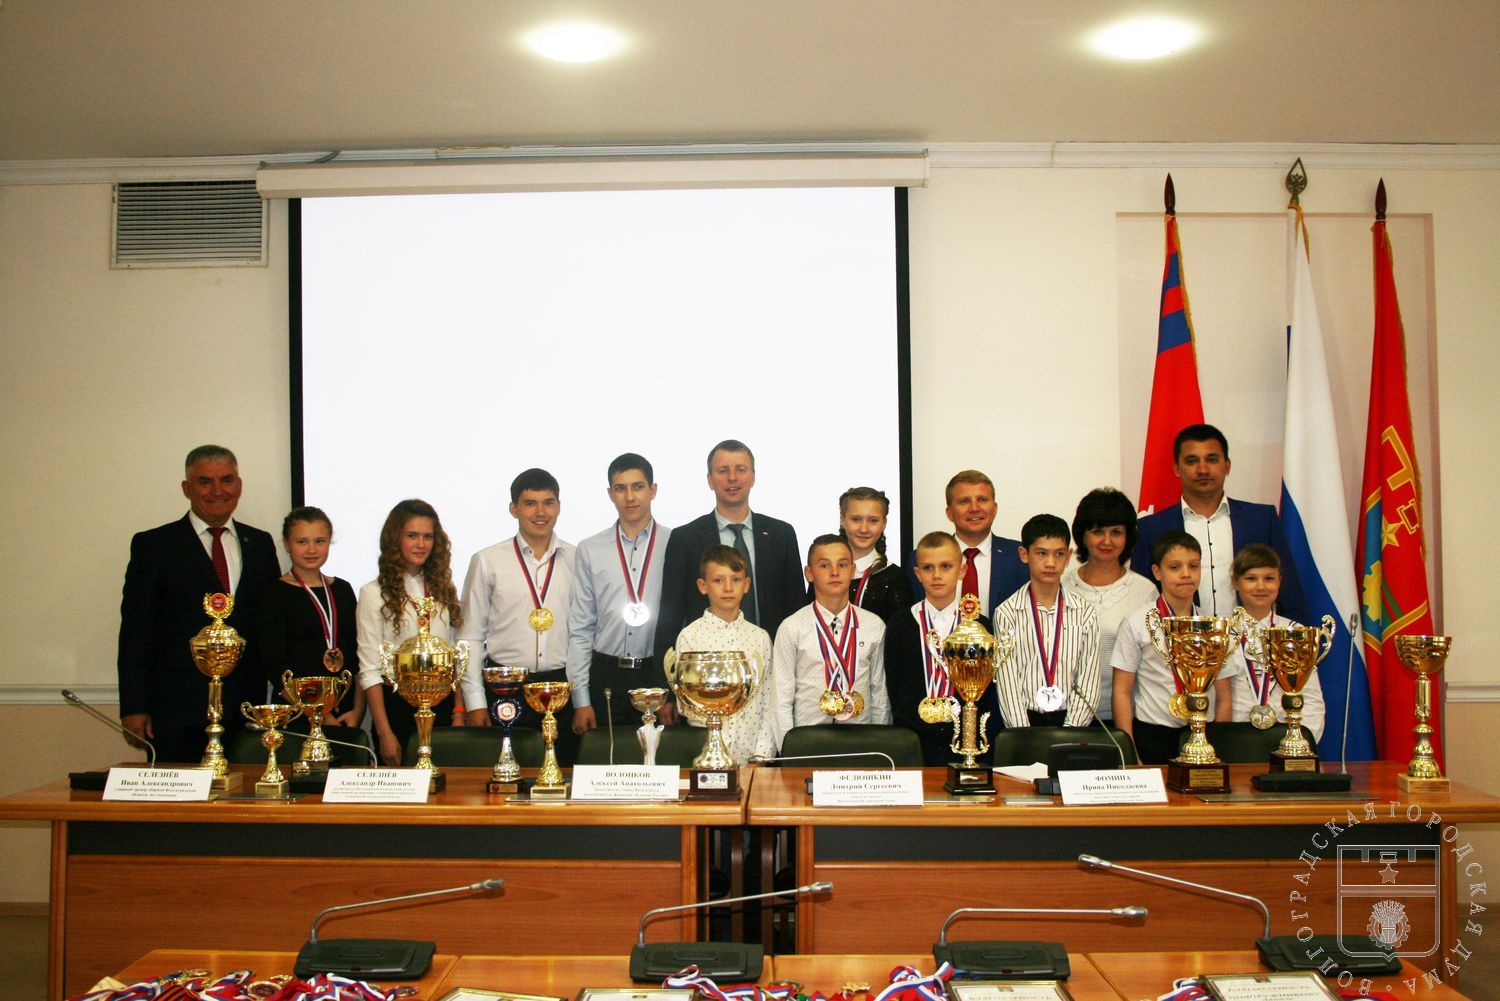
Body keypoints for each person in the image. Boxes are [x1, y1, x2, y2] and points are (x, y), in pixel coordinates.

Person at [117, 445, 280, 763]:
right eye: (205, 481)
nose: (218, 491)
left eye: (227, 480)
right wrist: (135, 705)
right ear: (187, 488)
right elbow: (137, 631)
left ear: (239, 485)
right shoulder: (155, 546)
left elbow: (268, 623)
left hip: (245, 708)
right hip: (176, 710)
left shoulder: (260, 544)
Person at [458, 469, 578, 757]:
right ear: (513, 509)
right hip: (505, 687)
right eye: (530, 503)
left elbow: (586, 632)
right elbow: (470, 637)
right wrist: (475, 702)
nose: (540, 512)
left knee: (562, 773)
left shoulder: (577, 560)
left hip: (562, 689)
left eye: (548, 502)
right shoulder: (487, 561)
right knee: (507, 774)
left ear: (559, 506)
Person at [1132, 424, 1306, 622]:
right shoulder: (1151, 529)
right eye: (1192, 461)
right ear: (1177, 468)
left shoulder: (1261, 520)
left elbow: (1289, 594)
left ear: (1227, 466)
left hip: (1252, 639)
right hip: (1180, 639)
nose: (1203, 469)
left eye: (1212, 459)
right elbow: (1142, 598)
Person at [654, 440, 805, 661]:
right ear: (710, 480)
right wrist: (665, 675)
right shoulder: (685, 538)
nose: (732, 477)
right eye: (723, 470)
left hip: (773, 660)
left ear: (753, 476)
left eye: (740, 469)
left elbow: (796, 608)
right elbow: (670, 614)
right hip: (707, 666)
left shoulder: (781, 535)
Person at [1111, 531, 1242, 765]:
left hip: (1205, 735)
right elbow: (1122, 691)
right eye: (1175, 567)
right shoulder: (1137, 623)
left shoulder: (1214, 627)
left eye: (1193, 566)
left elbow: (1224, 696)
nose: (1186, 574)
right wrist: (1130, 754)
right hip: (1152, 736)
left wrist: (1218, 745)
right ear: (1157, 572)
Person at [567, 453, 673, 734]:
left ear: (653, 490)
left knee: (657, 759)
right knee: (606, 757)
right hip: (606, 676)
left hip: (657, 675)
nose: (630, 497)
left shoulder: (675, 543)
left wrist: (673, 693)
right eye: (620, 488)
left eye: (638, 487)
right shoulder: (590, 549)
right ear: (610, 494)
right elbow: (581, 628)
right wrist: (581, 700)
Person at [358, 499, 467, 766]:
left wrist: (459, 711)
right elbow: (370, 670)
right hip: (397, 709)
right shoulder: (374, 593)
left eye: (428, 536)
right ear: (395, 539)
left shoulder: (443, 589)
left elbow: (455, 656)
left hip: (443, 706)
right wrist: (384, 733)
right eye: (412, 536)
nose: (421, 544)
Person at [884, 531, 1001, 765]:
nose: (937, 575)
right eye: (928, 568)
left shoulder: (979, 626)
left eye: (946, 566)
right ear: (917, 573)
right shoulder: (900, 623)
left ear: (962, 570)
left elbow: (986, 689)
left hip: (965, 740)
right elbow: (894, 684)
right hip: (911, 741)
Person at [771, 534, 890, 749]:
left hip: (861, 742)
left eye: (842, 565)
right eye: (824, 565)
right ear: (809, 573)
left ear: (852, 570)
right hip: (807, 743)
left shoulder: (874, 626)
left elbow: (880, 694)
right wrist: (789, 753)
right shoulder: (791, 628)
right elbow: (781, 699)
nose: (834, 572)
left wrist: (879, 745)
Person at [255, 506, 362, 724]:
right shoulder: (274, 593)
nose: (312, 549)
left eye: (320, 541)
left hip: (346, 714)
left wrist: (358, 710)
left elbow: (360, 655)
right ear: (287, 544)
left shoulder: (343, 590)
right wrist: (320, 715)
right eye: (302, 541)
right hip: (297, 715)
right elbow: (274, 666)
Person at [992, 514, 1101, 729]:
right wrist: (1024, 735)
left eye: (1059, 554)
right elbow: (1007, 683)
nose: (1051, 563)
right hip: (1024, 722)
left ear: (1068, 556)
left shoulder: (1085, 612)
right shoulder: (1006, 613)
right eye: (1041, 553)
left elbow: (1089, 680)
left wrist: (1071, 733)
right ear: (1024, 554)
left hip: (1072, 722)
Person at [1061, 488, 1159, 723]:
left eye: (1116, 532)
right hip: (1069, 717)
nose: (1107, 541)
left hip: (1127, 718)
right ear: (1083, 535)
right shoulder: (1061, 587)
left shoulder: (1145, 592)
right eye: (1098, 532)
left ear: (1128, 537)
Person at [673, 545, 775, 762]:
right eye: (718, 580)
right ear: (703, 586)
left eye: (735, 580)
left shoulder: (760, 638)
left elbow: (768, 699)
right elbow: (685, 702)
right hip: (706, 753)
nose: (728, 588)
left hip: (751, 751)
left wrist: (762, 753)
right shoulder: (690, 637)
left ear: (746, 585)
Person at [1226, 544, 1326, 739]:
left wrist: (1303, 743)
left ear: (1280, 581)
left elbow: (1311, 698)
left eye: (1269, 578)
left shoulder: (1296, 633)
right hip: (1235, 736)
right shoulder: (1223, 634)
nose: (1261, 586)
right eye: (1251, 578)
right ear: (1235, 582)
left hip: (1287, 736)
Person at [912, 470, 1027, 620]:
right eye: (964, 501)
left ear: (994, 509)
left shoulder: (1020, 557)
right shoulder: (920, 558)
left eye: (982, 500)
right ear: (949, 513)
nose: (974, 508)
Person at [832, 486, 911, 624]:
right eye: (856, 519)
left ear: (884, 523)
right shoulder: (825, 571)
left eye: (873, 520)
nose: (864, 529)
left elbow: (899, 632)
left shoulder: (896, 578)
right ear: (842, 519)